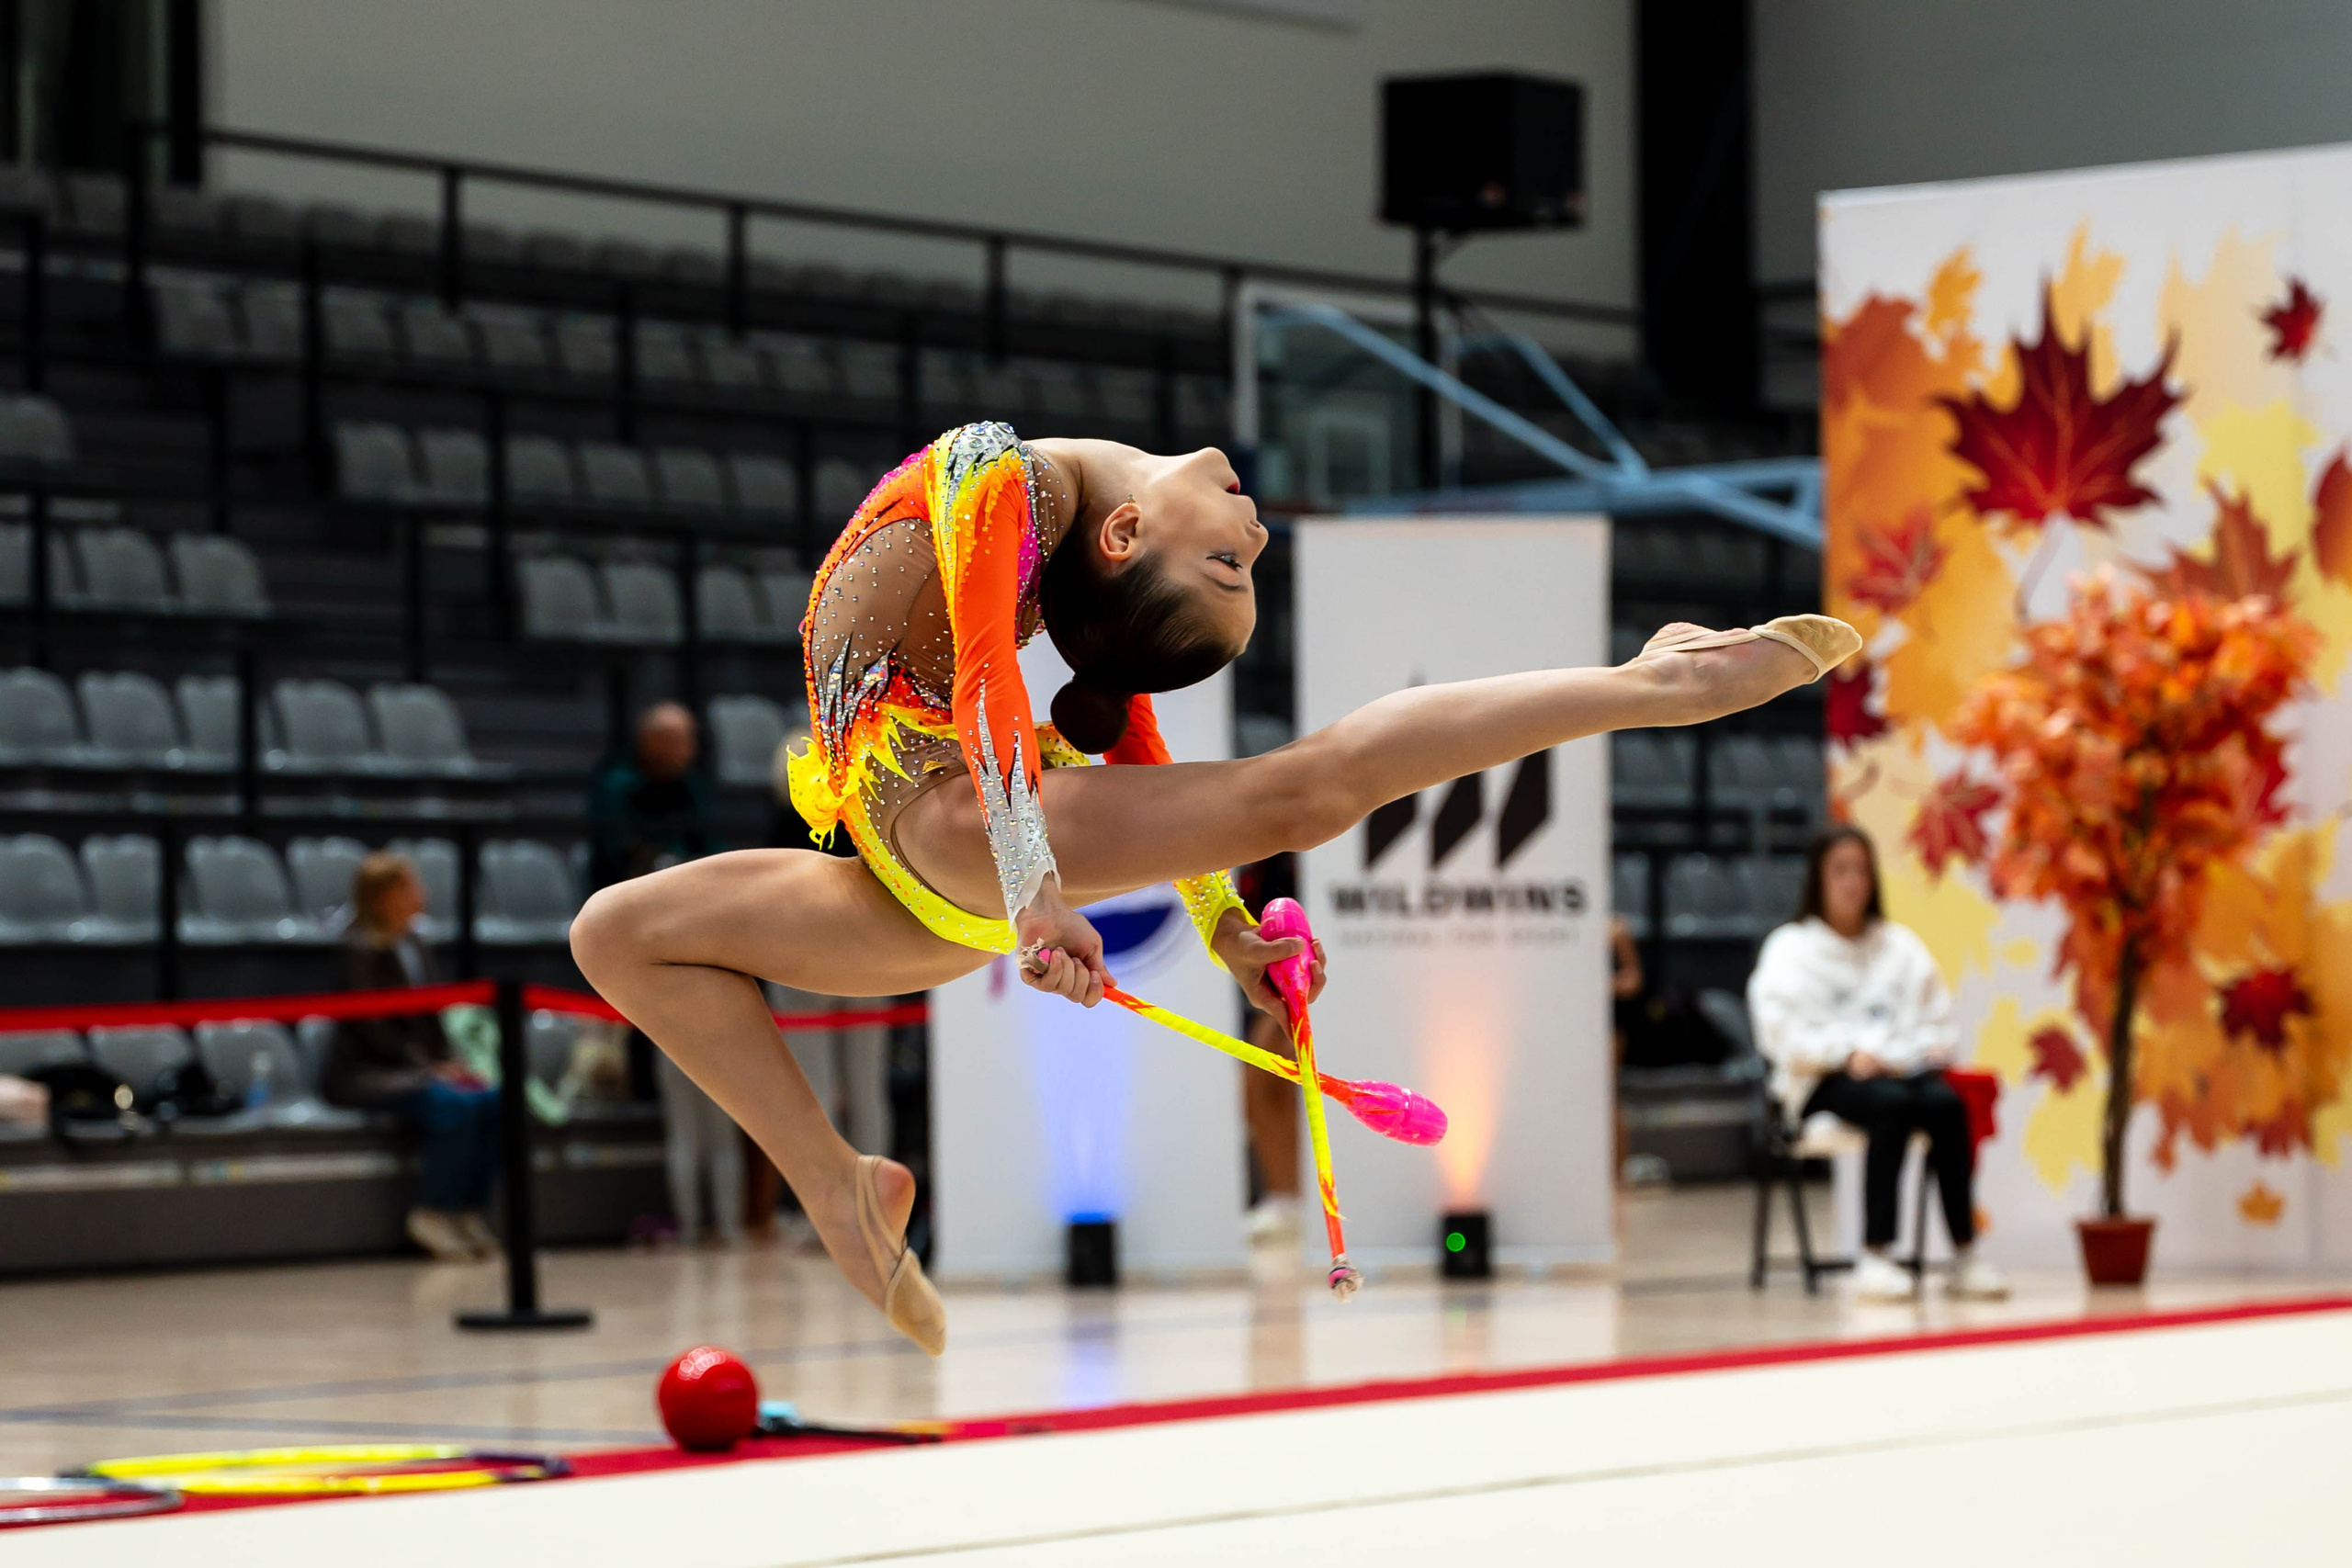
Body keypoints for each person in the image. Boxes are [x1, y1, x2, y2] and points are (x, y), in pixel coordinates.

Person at [571, 422, 1860, 1355]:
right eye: (1240, 561)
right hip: (925, 865)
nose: (1252, 529)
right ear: (1123, 532)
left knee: (1298, 790)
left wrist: (1218, 921)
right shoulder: (1001, 476)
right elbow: (998, 690)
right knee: (618, 933)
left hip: (952, 833)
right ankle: (841, 1187)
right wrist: (1058, 895)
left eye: (1237, 563)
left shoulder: (1033, 498)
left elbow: (1085, 730)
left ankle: (1653, 684)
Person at [1747, 825, 2007, 1302]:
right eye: (1840, 870)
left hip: (1900, 1072)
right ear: (1818, 879)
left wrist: (1909, 1053)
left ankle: (1965, 1254)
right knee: (1891, 1105)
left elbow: (1937, 1019)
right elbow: (1780, 1034)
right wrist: (1844, 1054)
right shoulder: (1790, 949)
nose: (1852, 883)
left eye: (1861, 871)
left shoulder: (1899, 946)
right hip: (1823, 1081)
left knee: (1947, 1106)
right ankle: (1876, 1253)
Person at [322, 852, 501, 1262]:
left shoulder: (416, 942)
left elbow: (434, 1016)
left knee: (489, 1099)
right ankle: (433, 1211)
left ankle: (467, 1211)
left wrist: (453, 1062)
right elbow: (372, 1028)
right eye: (410, 887)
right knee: (453, 1104)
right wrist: (430, 1069)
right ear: (383, 896)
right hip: (365, 1071)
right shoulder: (358, 949)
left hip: (417, 1066)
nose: (421, 894)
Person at [586, 701, 722, 890]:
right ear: (647, 740)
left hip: (686, 885)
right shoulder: (617, 784)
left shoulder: (691, 783)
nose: (687, 750)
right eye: (674, 741)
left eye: (690, 739)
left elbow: (710, 844)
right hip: (624, 891)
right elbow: (617, 853)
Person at [1235, 852, 1300, 1244]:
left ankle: (1291, 1196)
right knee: (1259, 1078)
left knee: (1276, 1066)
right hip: (1242, 959)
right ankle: (1285, 1197)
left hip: (1289, 957)